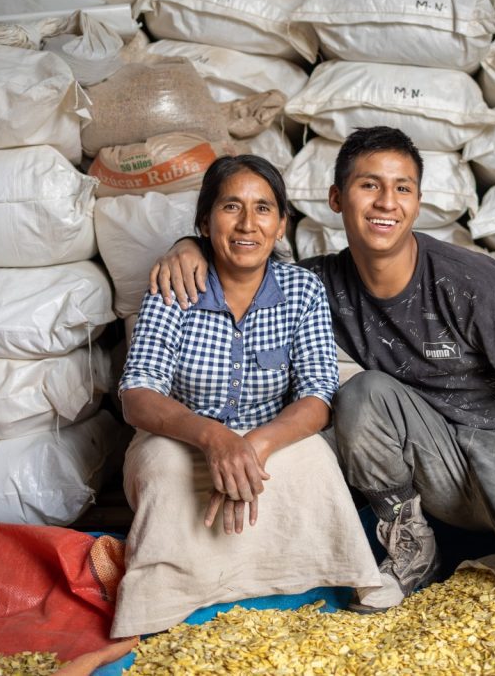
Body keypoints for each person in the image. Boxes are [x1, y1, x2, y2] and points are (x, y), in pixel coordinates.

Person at [149, 128, 495, 613]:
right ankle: (412, 545)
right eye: (369, 185)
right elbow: (249, 251)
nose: (386, 202)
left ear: (417, 202)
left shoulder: (470, 283)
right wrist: (188, 246)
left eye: (402, 188)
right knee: (362, 394)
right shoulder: (320, 284)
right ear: (337, 198)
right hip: (438, 458)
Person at [110, 154, 380, 637]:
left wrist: (253, 445)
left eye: (263, 209)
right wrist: (214, 439)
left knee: (315, 461)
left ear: (280, 226)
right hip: (180, 436)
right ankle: (165, 600)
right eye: (231, 207)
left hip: (269, 437)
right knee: (166, 469)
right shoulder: (174, 284)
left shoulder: (302, 289)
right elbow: (138, 393)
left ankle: (302, 578)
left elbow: (318, 395)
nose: (247, 224)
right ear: (204, 221)